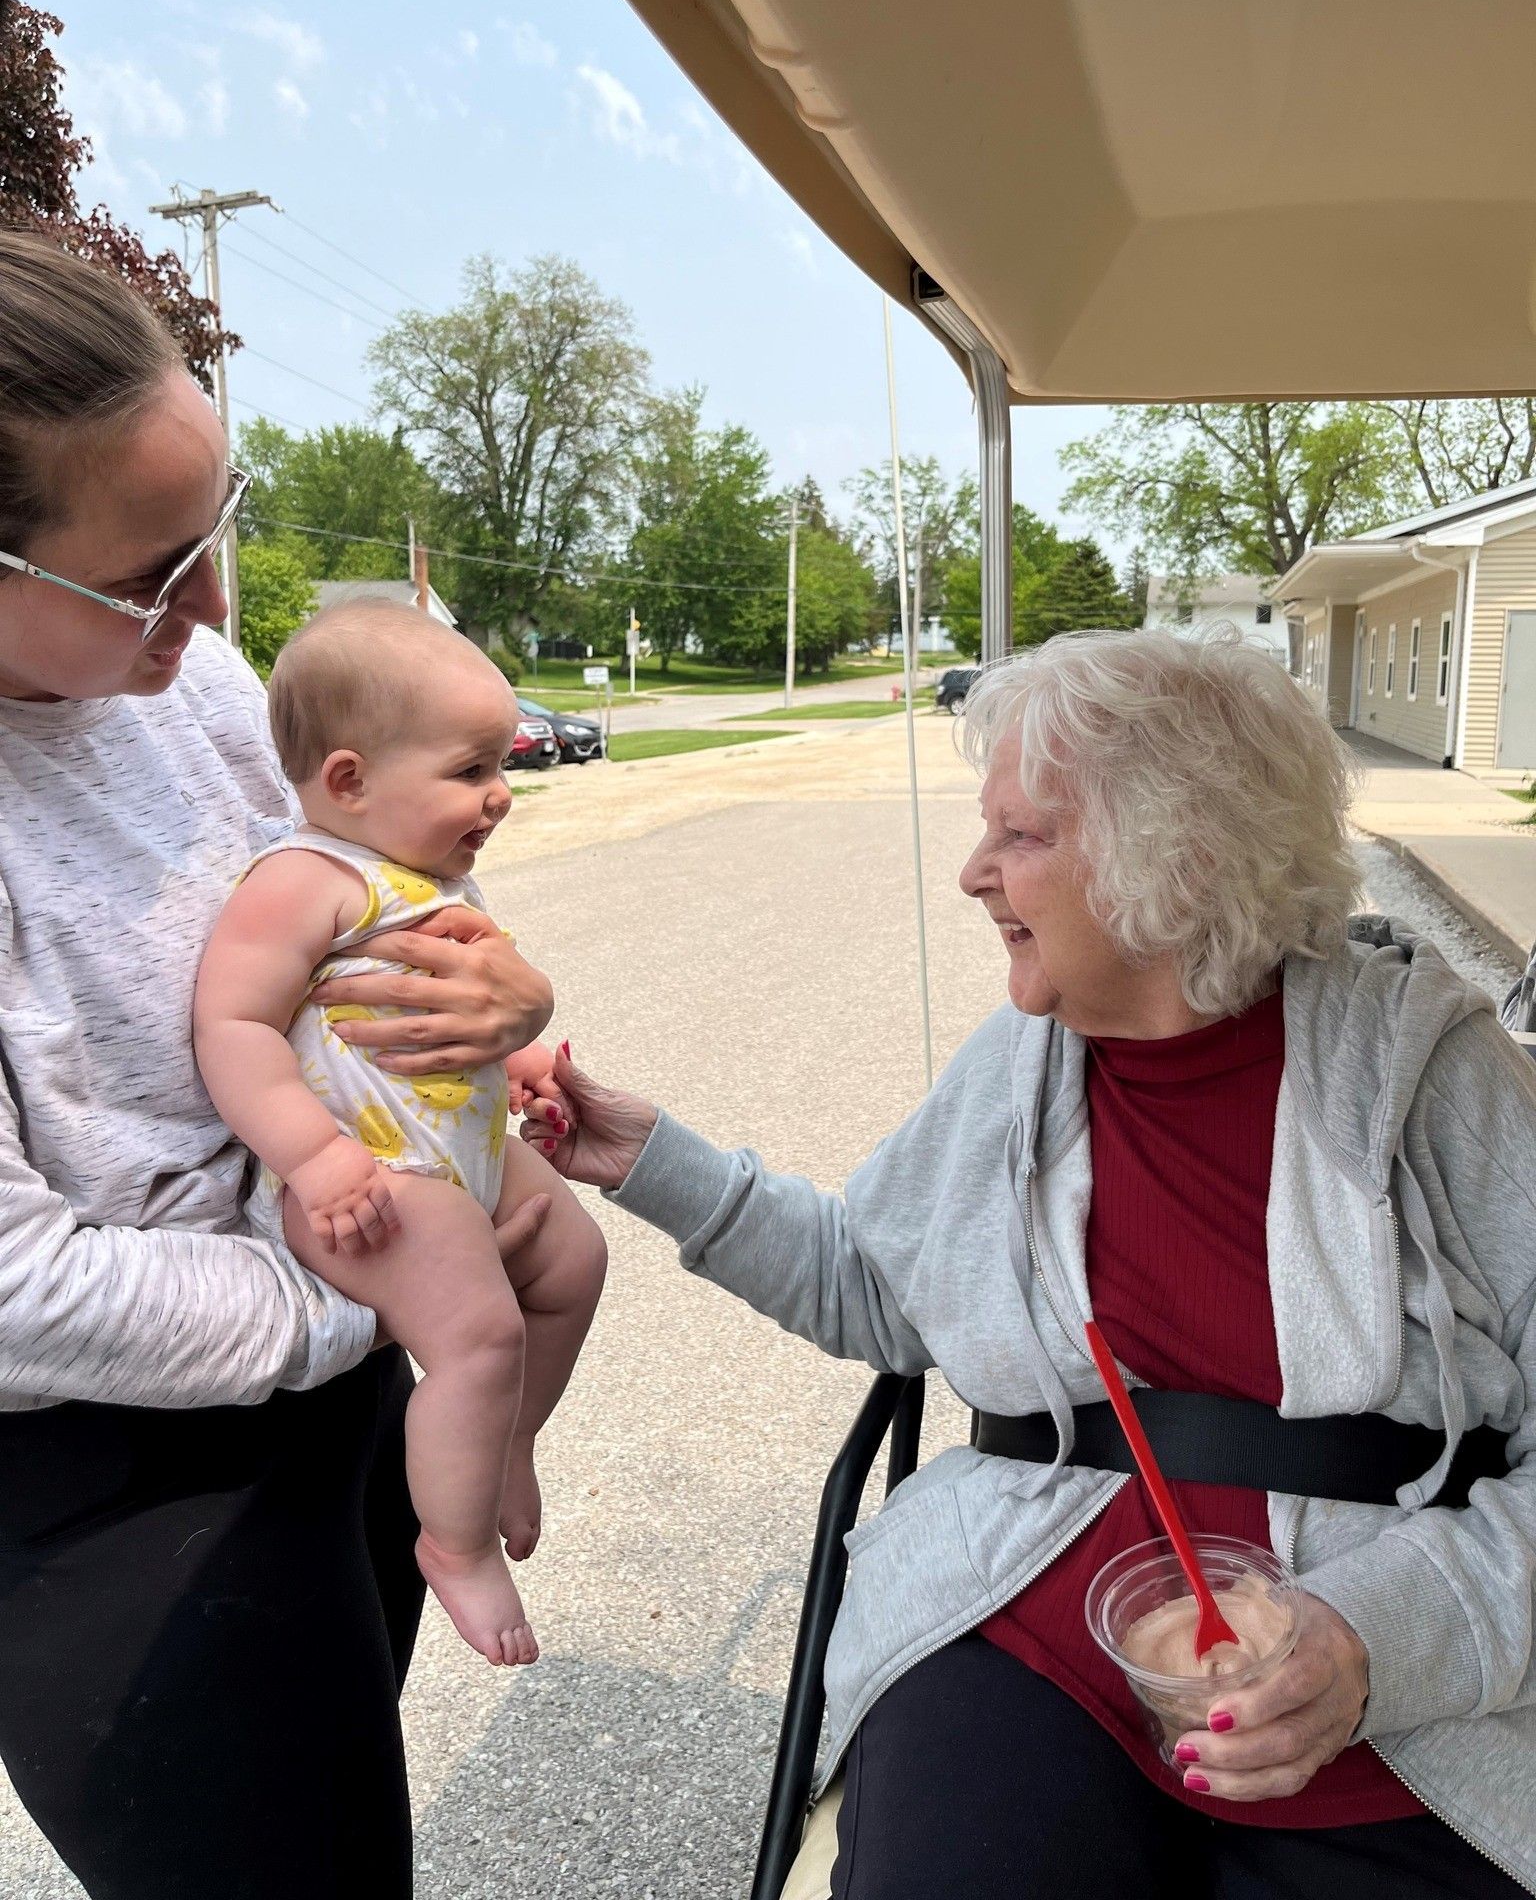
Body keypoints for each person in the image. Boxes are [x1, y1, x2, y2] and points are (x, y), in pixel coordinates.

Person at [525, 628, 1536, 1898]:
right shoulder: (1020, 1063)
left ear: (1176, 854)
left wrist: (1373, 1640)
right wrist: (644, 1157)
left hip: (1370, 1670)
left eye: (1021, 834)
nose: (972, 873)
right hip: (1024, 1628)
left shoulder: (1432, 1078)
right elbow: (879, 1289)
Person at [0, 230, 555, 1900]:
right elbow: (15, 1289)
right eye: (149, 572)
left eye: (215, 534)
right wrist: (380, 1293)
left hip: (339, 1376)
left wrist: (492, 997)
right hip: (127, 1494)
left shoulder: (183, 682)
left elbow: (357, 889)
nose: (217, 608)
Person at [194, 601, 606, 1668]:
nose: (500, 791)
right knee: (479, 1336)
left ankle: (507, 1440)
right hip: (365, 1171)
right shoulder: (302, 883)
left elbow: (457, 1005)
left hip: (452, 1145)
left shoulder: (430, 879)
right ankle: (454, 1543)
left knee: (574, 1261)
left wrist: (519, 1057)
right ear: (349, 780)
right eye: (472, 769)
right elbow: (232, 1028)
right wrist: (314, 1156)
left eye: (500, 763)